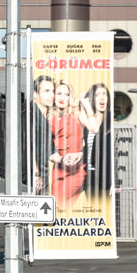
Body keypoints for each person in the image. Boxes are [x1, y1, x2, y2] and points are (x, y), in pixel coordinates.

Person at [49, 80, 86, 208]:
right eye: (59, 93)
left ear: (71, 97)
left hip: (77, 168)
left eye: (66, 94)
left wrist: (81, 154)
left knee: (60, 205)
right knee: (57, 208)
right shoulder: (49, 117)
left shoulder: (77, 113)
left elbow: (94, 135)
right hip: (59, 168)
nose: (62, 98)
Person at [78, 83, 112, 197]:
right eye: (98, 95)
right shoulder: (88, 122)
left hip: (105, 178)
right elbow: (89, 147)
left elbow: (113, 154)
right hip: (90, 177)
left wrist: (113, 181)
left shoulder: (111, 121)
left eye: (104, 94)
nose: (102, 98)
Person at [30, 75, 55, 194]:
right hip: (36, 177)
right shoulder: (32, 114)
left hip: (44, 174)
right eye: (46, 91)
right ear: (35, 94)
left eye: (53, 91)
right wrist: (36, 173)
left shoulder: (44, 115)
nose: (52, 95)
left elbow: (49, 150)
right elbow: (28, 144)